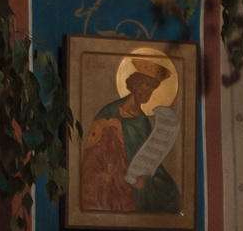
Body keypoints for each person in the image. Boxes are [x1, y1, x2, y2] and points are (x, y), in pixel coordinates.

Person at [78, 58, 183, 217]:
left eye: (153, 88)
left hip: (140, 177)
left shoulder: (142, 119)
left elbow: (150, 156)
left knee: (172, 193)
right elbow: (94, 159)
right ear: (135, 84)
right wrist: (126, 178)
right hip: (117, 180)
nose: (149, 92)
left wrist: (146, 179)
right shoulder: (109, 116)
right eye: (146, 85)